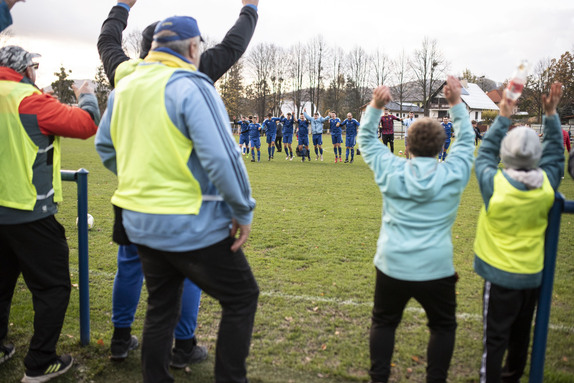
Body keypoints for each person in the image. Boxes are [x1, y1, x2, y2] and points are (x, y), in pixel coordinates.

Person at [95, 16, 259, 383]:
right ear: (192, 48)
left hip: (139, 221)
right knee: (242, 296)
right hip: (188, 221)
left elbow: (105, 147)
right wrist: (242, 209)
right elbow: (223, 157)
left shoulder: (125, 86)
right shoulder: (192, 85)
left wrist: (140, 177)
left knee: (160, 307)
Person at [358, 76, 474, 383]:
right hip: (436, 268)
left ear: (406, 145)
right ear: (440, 146)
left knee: (384, 323)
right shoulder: (453, 172)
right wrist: (455, 104)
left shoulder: (391, 169)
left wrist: (375, 107)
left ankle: (378, 378)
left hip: (393, 263)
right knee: (443, 327)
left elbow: (367, 141)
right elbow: (465, 142)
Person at [0, 45, 100, 382]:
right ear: (25, 70)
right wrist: (87, 94)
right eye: (34, 67)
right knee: (54, 287)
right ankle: (41, 361)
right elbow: (86, 124)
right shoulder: (28, 100)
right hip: (29, 211)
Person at [473, 82, 564, 383]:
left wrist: (503, 116)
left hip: (499, 278)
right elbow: (555, 156)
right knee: (521, 335)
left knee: (495, 338)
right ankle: (512, 376)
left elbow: (484, 154)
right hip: (531, 277)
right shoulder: (548, 185)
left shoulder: (494, 184)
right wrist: (551, 113)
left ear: (505, 154)